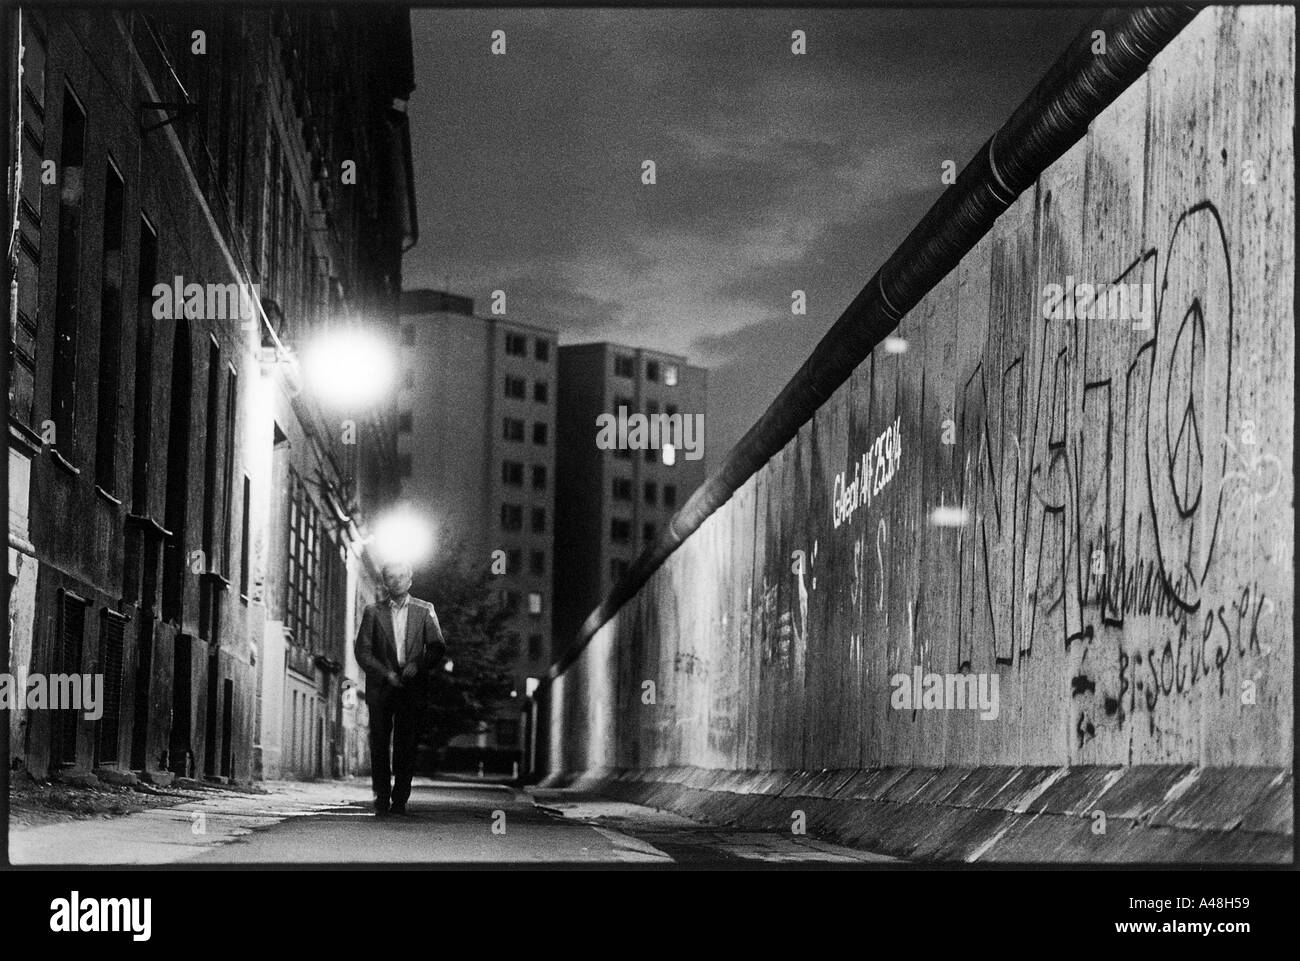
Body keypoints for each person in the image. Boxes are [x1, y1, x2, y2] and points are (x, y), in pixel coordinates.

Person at [353, 560, 446, 816]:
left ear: (410, 580)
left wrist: (418, 664)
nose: (396, 581)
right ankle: (382, 797)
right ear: (385, 581)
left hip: (412, 686)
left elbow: (437, 646)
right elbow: (363, 650)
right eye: (391, 577)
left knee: (407, 744)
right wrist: (386, 674)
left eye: (401, 576)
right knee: (380, 743)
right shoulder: (373, 612)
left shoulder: (425, 610)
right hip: (381, 686)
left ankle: (400, 799)